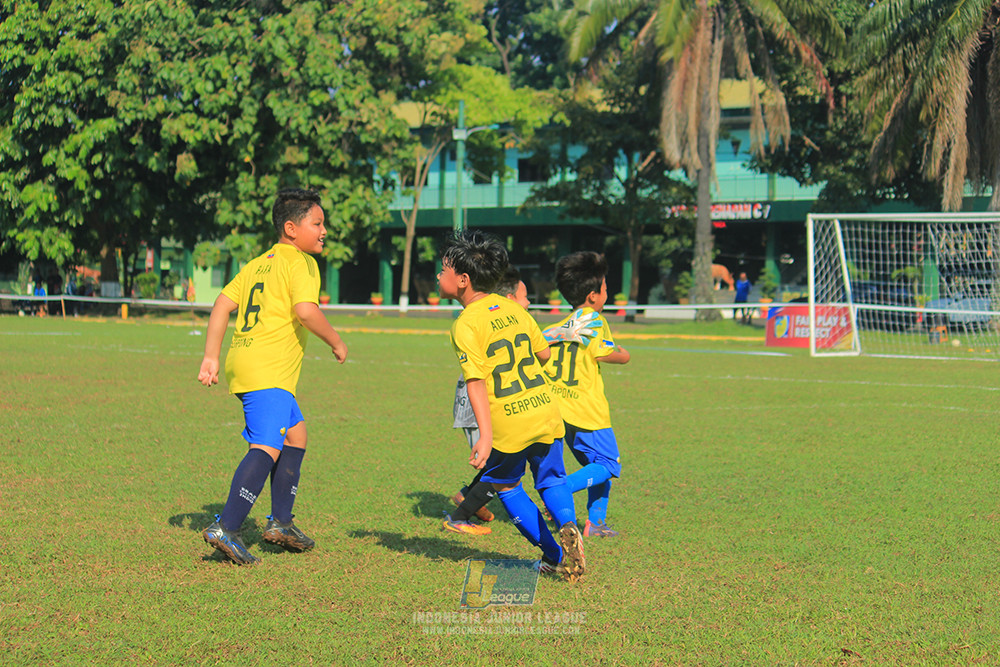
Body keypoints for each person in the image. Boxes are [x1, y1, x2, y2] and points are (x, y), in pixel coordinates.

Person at [197, 188, 348, 566]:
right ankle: (226, 527)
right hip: (269, 370)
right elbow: (306, 311)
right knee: (267, 445)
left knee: (296, 434)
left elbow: (221, 304)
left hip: (244, 361)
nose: (324, 230)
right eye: (317, 223)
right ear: (291, 228)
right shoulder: (300, 263)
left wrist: (212, 356)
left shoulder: (256, 264)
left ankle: (281, 522)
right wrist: (336, 340)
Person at [438, 230, 585, 580]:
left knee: (506, 486)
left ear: (463, 280)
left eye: (443, 269)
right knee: (551, 480)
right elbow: (545, 353)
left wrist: (485, 438)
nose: (438, 276)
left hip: (509, 423)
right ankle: (568, 523)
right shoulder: (513, 308)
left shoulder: (465, 324)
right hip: (545, 409)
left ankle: (552, 554)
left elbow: (475, 383)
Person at [543, 252, 630, 538]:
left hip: (561, 407)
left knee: (597, 465)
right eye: (605, 288)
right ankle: (559, 491)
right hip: (587, 409)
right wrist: (624, 354)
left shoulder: (561, 324)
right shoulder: (594, 320)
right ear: (593, 296)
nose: (608, 292)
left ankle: (595, 523)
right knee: (608, 464)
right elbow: (606, 353)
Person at [445, 266, 527, 535]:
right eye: (524, 297)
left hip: (480, 403)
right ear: (510, 299)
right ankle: (463, 510)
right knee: (503, 463)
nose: (528, 303)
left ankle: (467, 499)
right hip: (475, 405)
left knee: (504, 461)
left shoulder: (493, 319)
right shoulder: (480, 320)